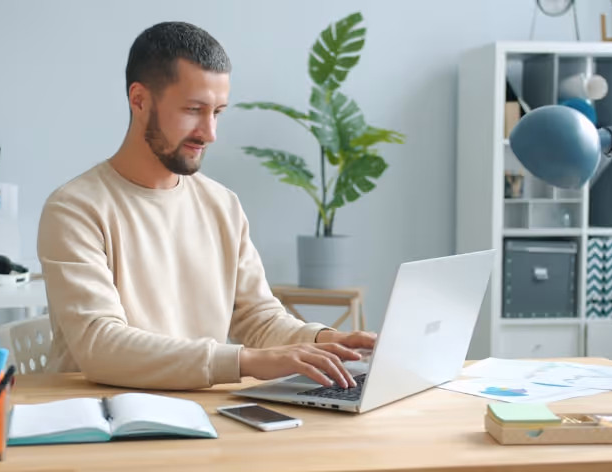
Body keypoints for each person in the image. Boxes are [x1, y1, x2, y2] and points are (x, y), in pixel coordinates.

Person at [37, 21, 376, 391]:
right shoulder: (74, 209)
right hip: (104, 420)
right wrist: (245, 362)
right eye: (194, 110)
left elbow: (257, 318)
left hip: (199, 413)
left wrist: (322, 341)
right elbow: (100, 345)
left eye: (217, 112)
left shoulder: (221, 205)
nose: (209, 133)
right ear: (139, 100)